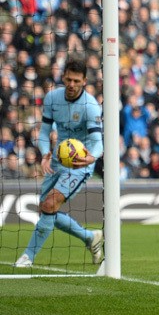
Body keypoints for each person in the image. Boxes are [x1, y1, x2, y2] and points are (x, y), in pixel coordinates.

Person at [14, 57, 104, 268]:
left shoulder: (90, 106)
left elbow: (97, 142)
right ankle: (90, 237)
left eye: (76, 81)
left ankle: (27, 257)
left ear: (84, 82)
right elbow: (45, 131)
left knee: (50, 204)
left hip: (80, 164)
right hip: (56, 160)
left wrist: (91, 157)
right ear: (63, 77)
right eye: (68, 80)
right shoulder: (52, 98)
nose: (71, 85)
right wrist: (45, 153)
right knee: (45, 209)